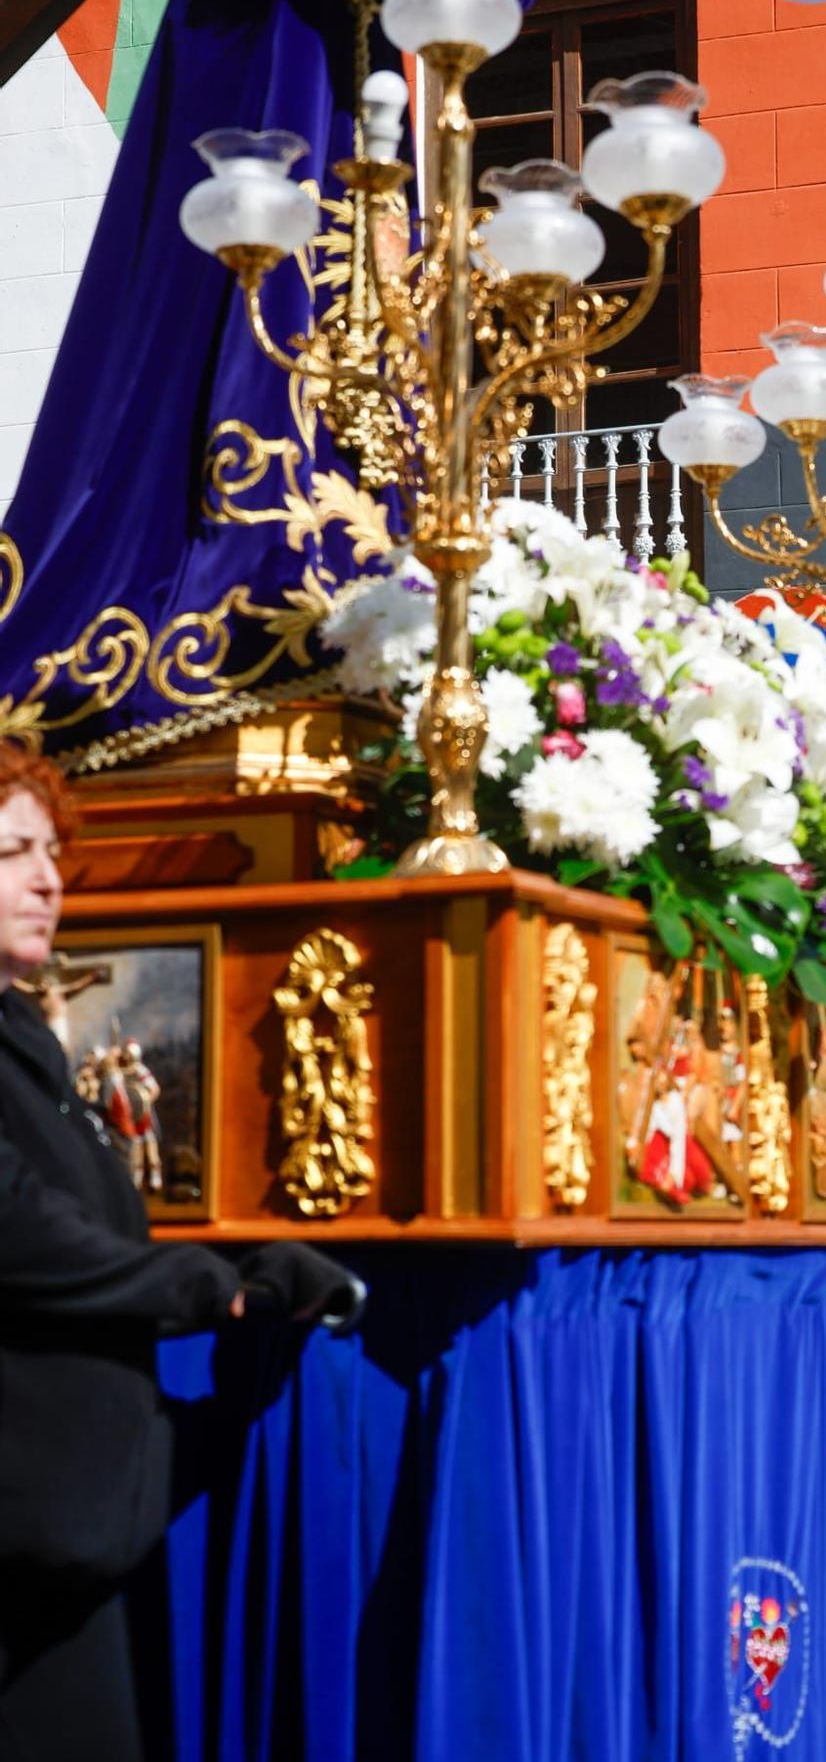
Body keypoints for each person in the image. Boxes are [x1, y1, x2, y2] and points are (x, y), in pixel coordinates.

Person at [0, 745, 363, 1761]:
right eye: (13, 852)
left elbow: (95, 1225)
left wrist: (249, 1273)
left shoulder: (24, 1041)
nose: (47, 877)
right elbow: (23, 1232)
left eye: (51, 850)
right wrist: (218, 1292)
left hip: (63, 1535)